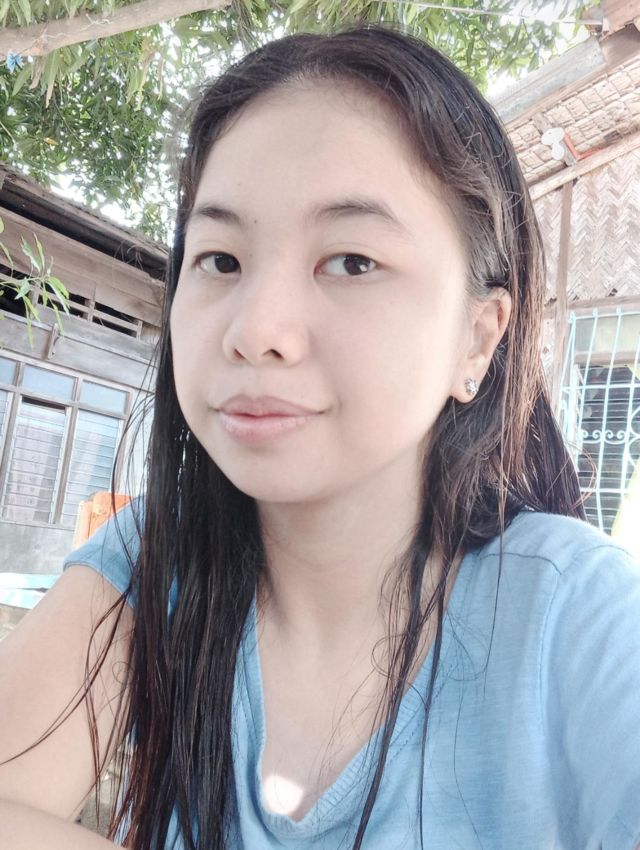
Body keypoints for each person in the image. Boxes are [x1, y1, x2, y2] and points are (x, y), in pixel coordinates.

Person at [1, 24, 639, 850]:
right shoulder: (158, 557)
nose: (255, 331)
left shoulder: (576, 614)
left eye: (351, 261)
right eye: (221, 260)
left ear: (478, 338)